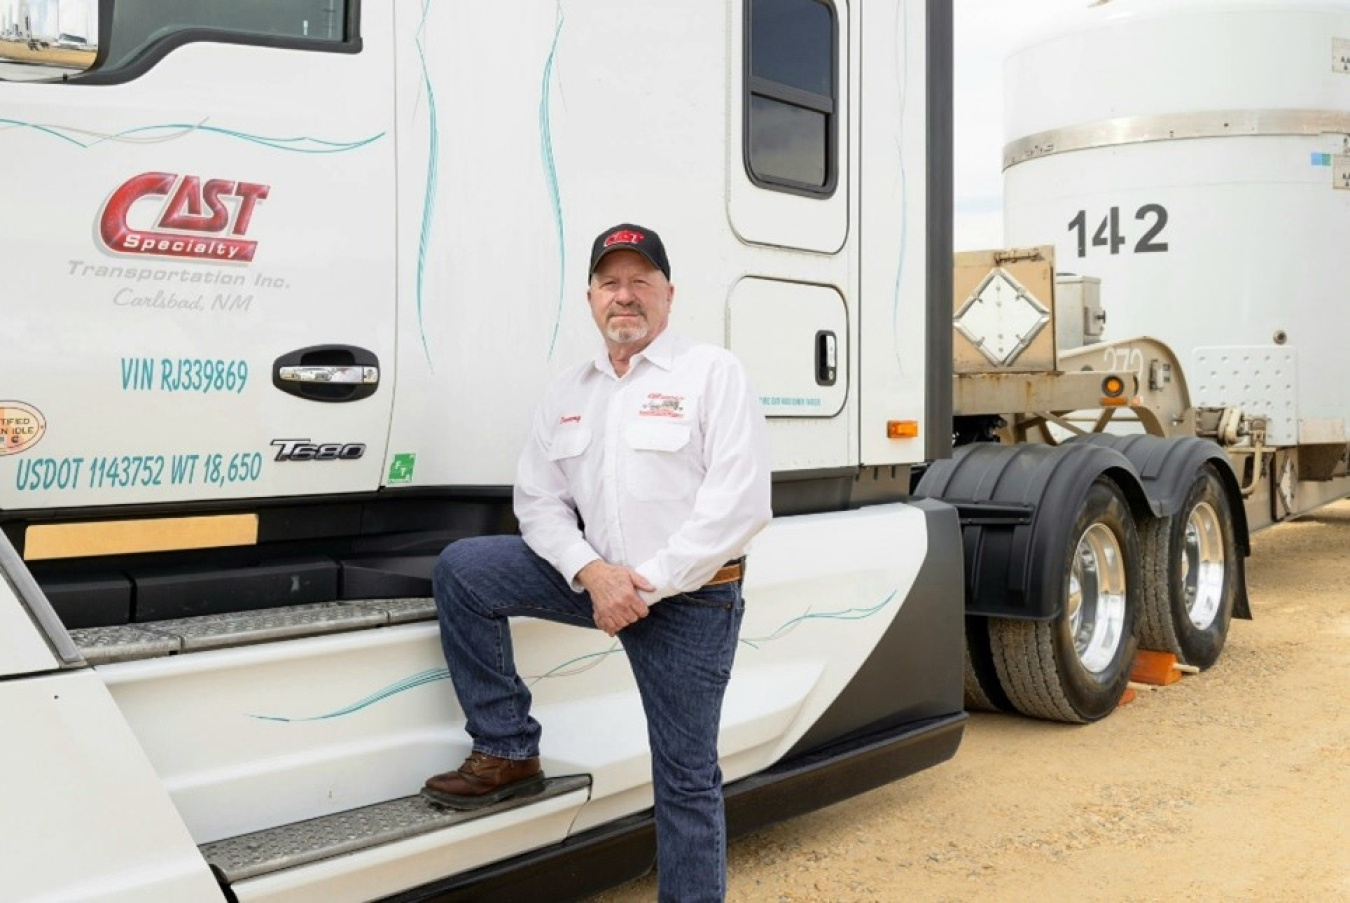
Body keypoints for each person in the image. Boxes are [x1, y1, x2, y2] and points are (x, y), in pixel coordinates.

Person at [422, 223, 772, 901]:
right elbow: (538, 503)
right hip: (598, 581)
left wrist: (646, 583)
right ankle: (507, 746)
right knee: (465, 569)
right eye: (611, 282)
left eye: (641, 280)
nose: (625, 295)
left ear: (669, 293)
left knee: (686, 774)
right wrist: (593, 573)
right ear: (590, 298)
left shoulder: (712, 373)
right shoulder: (568, 391)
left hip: (690, 598)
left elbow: (740, 504)